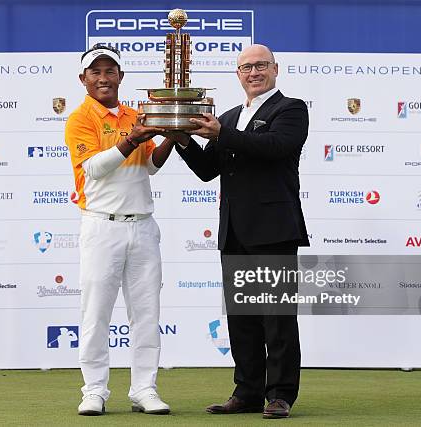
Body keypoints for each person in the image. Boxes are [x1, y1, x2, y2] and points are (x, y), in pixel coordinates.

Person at [173, 44, 309, 419]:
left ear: (275, 69)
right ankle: (247, 391)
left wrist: (221, 133)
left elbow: (276, 146)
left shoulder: (291, 108)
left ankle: (280, 394)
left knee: (277, 318)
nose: (254, 72)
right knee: (242, 318)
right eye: (246, 67)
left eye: (260, 65)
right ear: (237, 74)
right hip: (233, 230)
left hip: (274, 228)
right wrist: (180, 136)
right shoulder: (230, 117)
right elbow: (206, 169)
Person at [65, 44, 175, 416]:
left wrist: (172, 136)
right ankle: (94, 390)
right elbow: (94, 169)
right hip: (101, 225)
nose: (102, 78)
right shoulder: (81, 118)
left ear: (120, 77)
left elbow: (151, 166)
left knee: (147, 314)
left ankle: (144, 388)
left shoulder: (134, 115)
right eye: (94, 72)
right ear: (84, 80)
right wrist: (134, 139)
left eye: (109, 71)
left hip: (143, 225)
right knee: (95, 313)